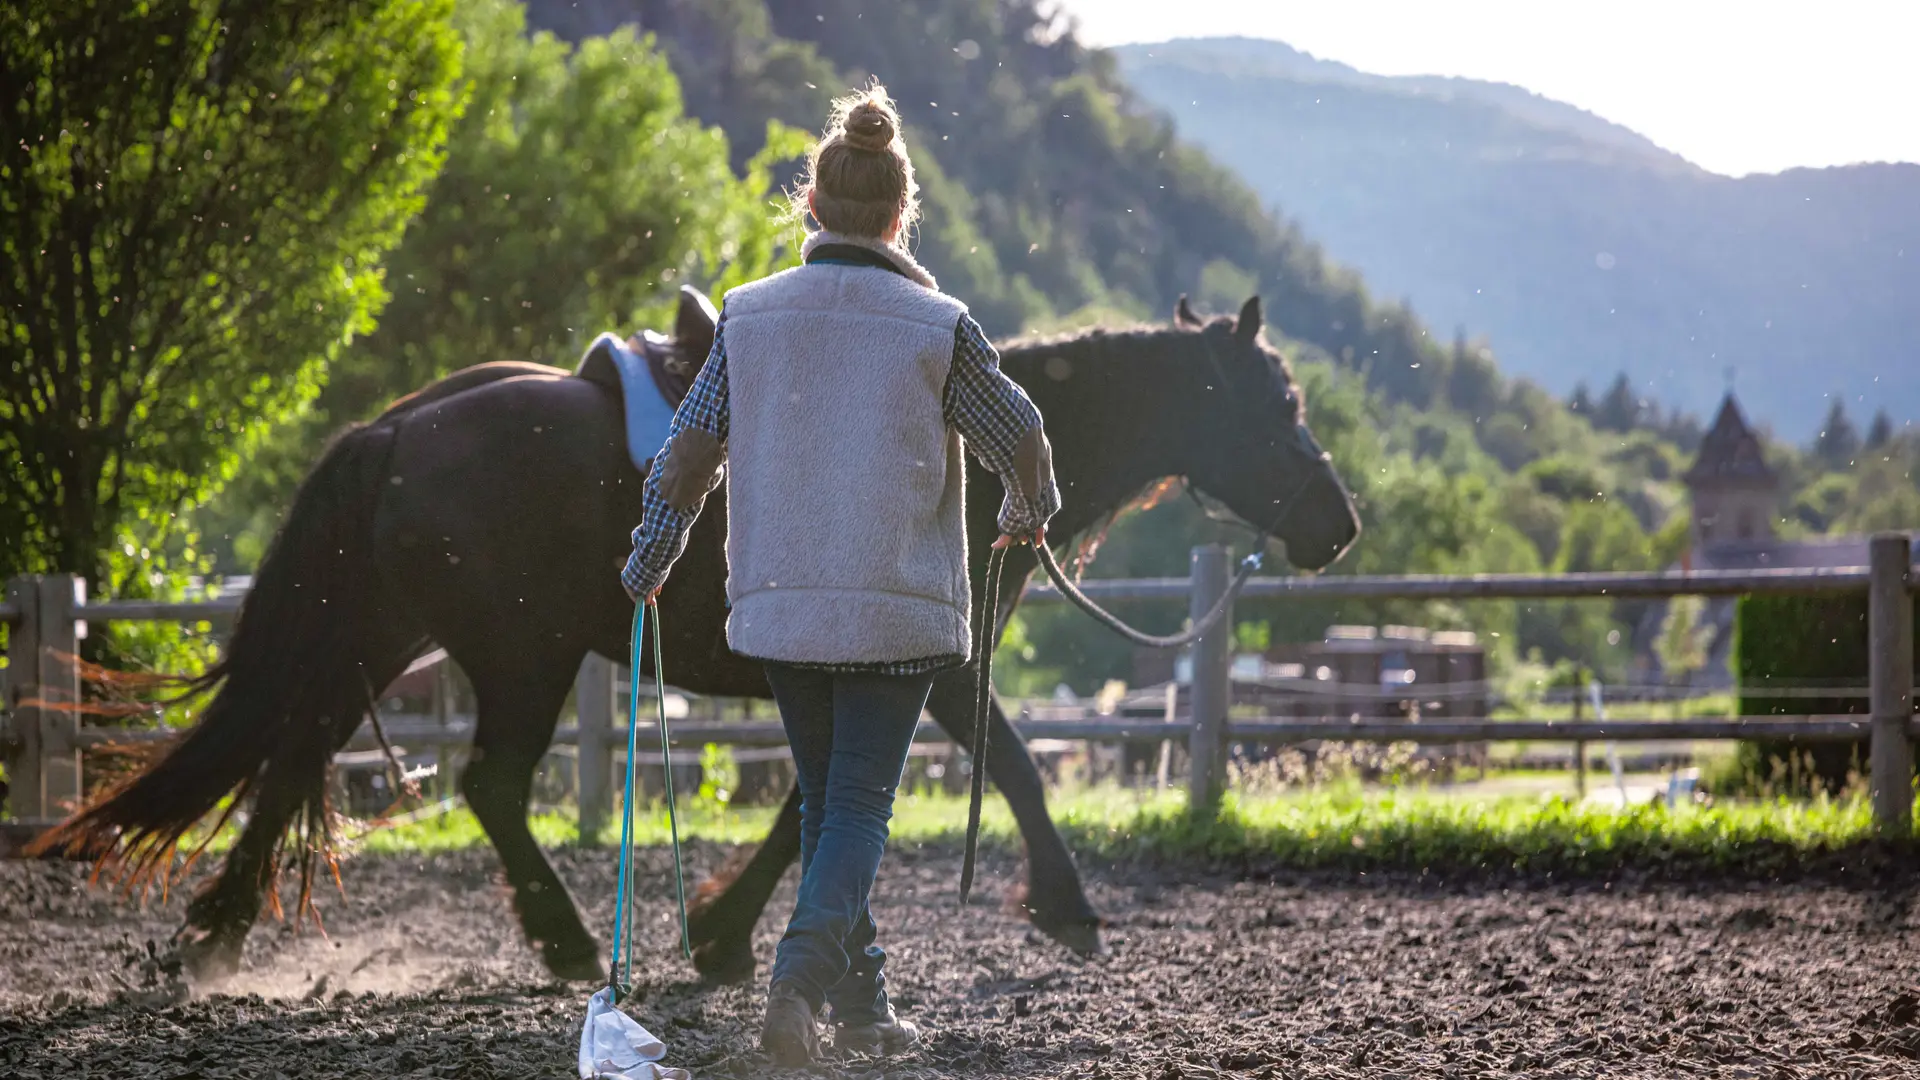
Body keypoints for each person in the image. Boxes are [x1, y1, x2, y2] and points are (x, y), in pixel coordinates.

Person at [620, 82, 1060, 1065]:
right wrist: (1031, 514)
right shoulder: (938, 323)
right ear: (903, 214)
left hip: (781, 611)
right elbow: (1022, 432)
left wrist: (650, 559)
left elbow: (687, 460)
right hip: (898, 615)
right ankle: (798, 985)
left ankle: (865, 1012)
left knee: (829, 808)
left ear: (812, 208)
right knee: (857, 810)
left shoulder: (749, 317)